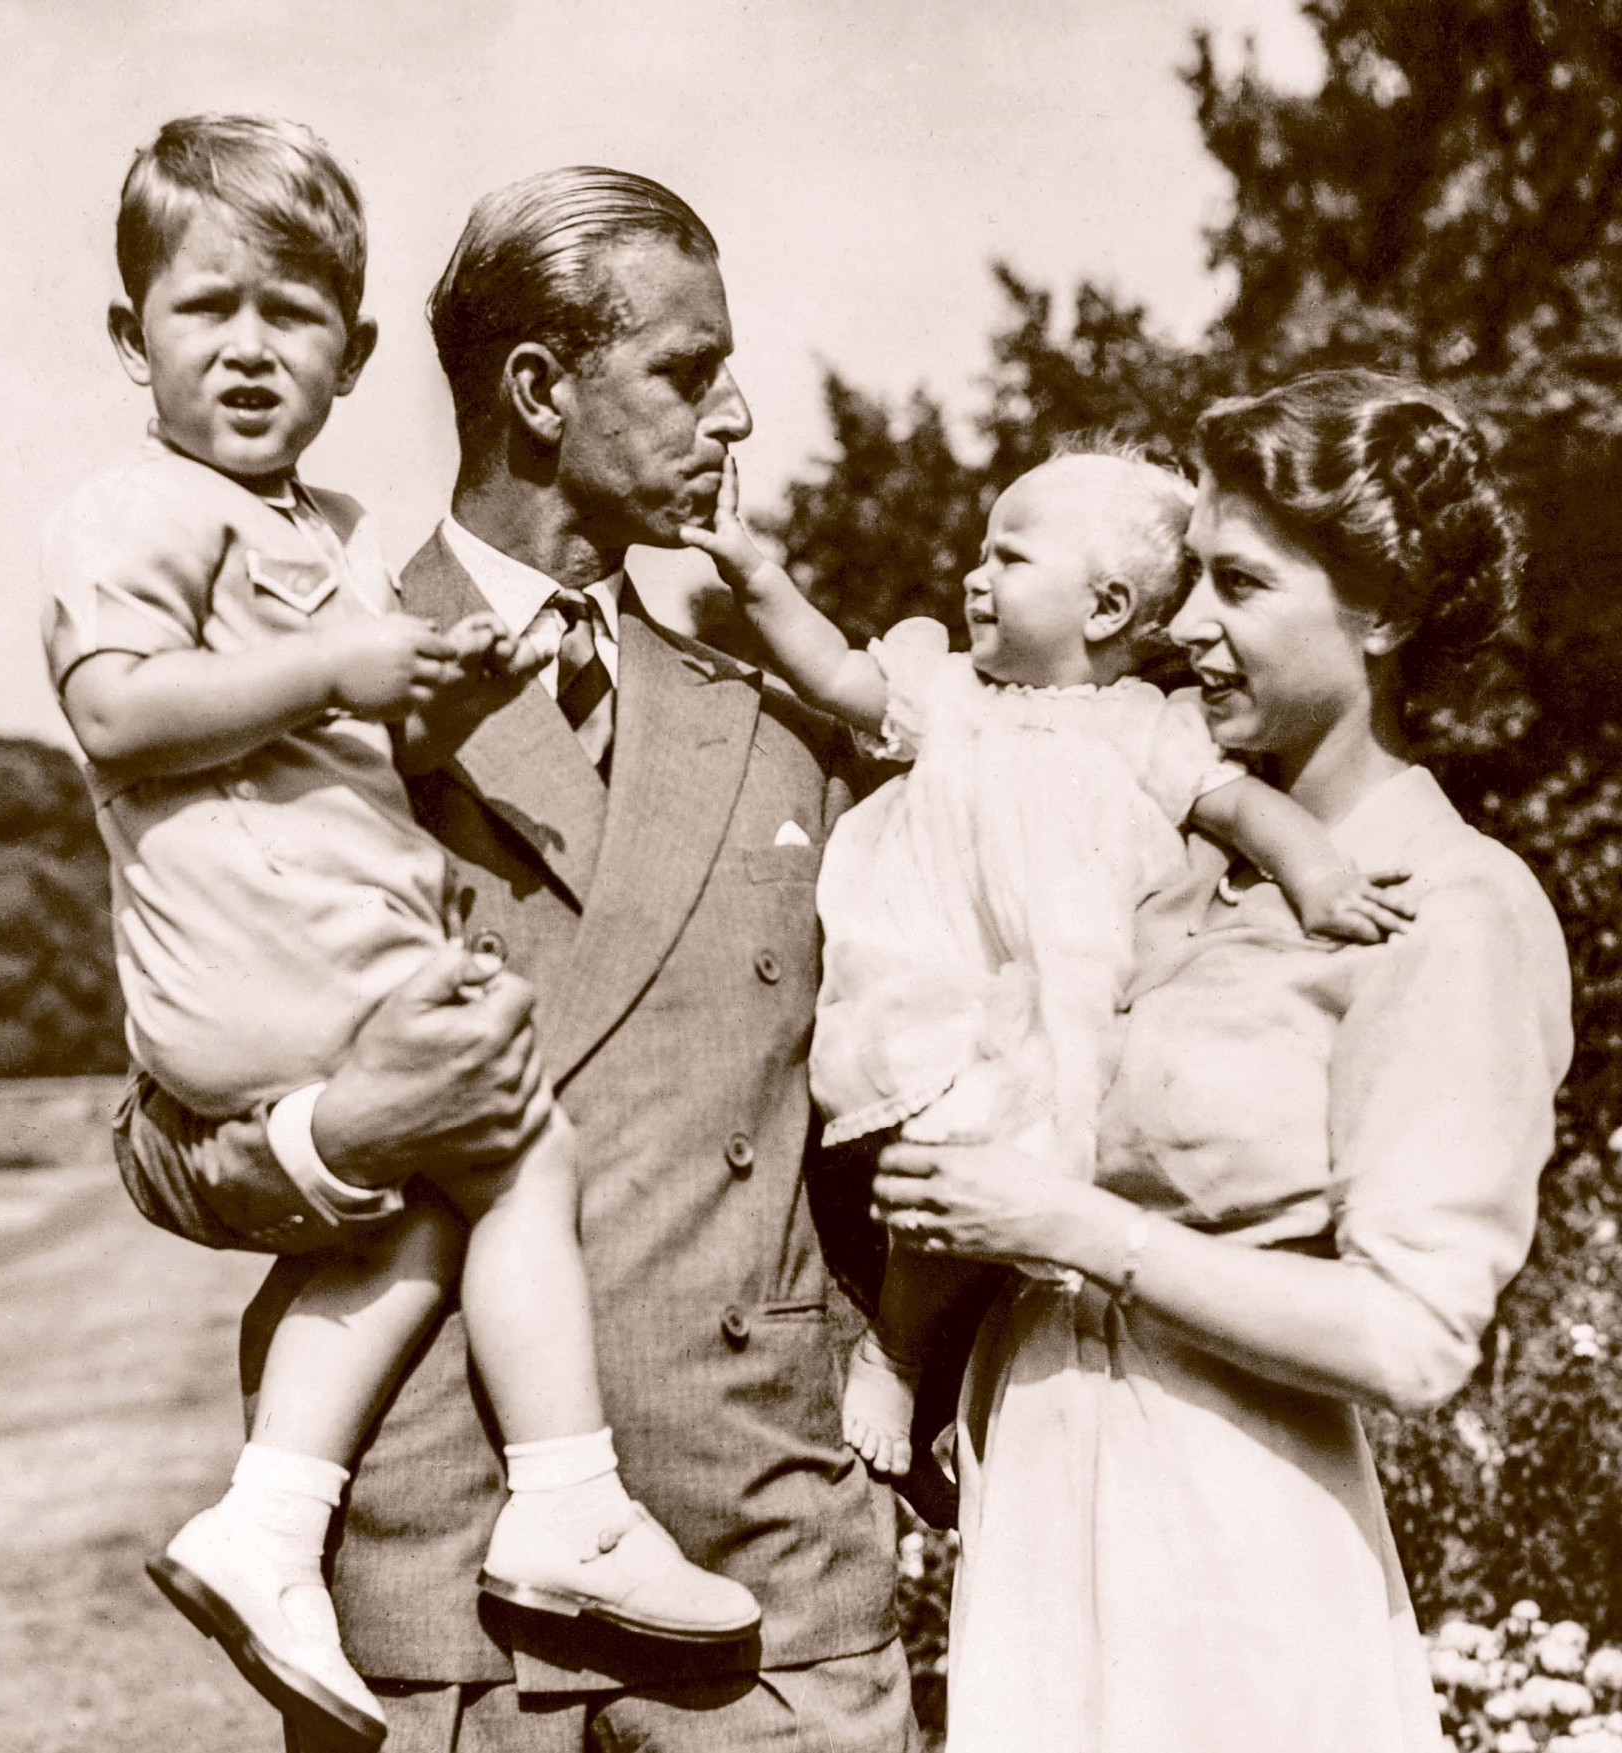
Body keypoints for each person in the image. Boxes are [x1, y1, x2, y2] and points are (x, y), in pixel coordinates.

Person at [113, 165, 911, 1753]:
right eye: (690, 369)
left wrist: (893, 1365)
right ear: (541, 392)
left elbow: (901, 1093)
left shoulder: (778, 728)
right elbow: (159, 1143)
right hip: (437, 1591)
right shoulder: (289, 687)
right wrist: (343, 1135)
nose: (738, 414)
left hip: (766, 1581)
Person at [869, 370, 1573, 1752]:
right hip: (1042, 1526)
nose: (1186, 623)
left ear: (1382, 612)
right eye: (1188, 576)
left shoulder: (1450, 905)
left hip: (1234, 1561)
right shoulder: (1151, 857)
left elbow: (1411, 1335)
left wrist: (1072, 1227)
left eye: (1239, 584)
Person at [682, 443, 1410, 1477]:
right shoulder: (948, 692)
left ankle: (942, 1384)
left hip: (1061, 1008)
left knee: (1017, 1181)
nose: (974, 576)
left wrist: (1319, 874)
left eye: (1009, 558)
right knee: (942, 1167)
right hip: (936, 987)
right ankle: (896, 1351)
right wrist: (752, 570)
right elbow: (835, 671)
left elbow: (1244, 808)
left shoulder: (1147, 729)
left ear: (1105, 607)